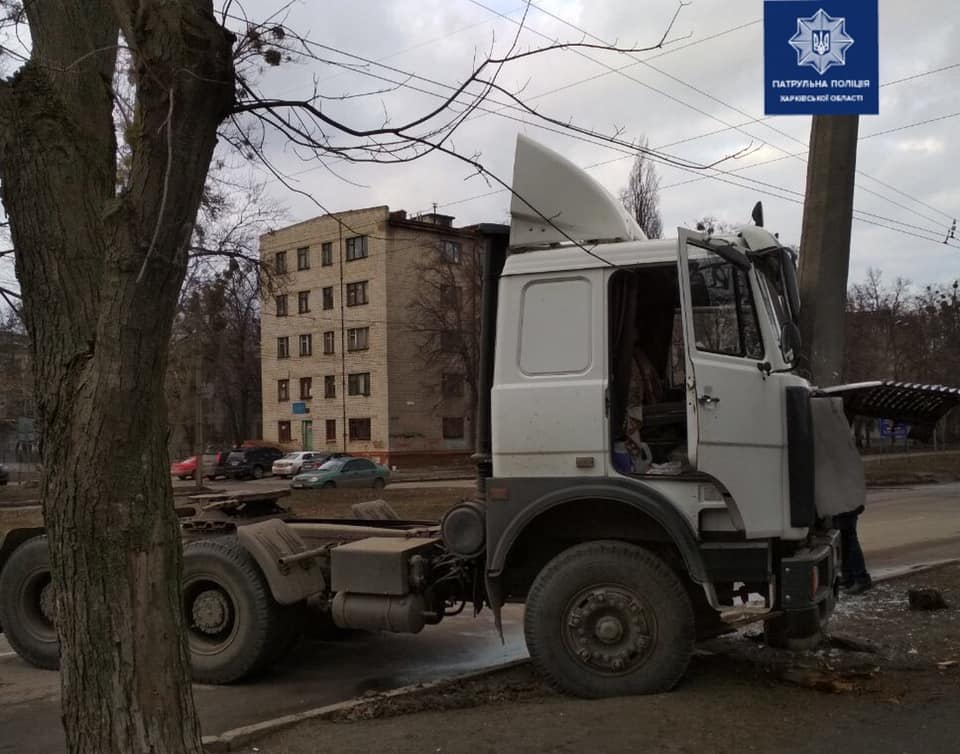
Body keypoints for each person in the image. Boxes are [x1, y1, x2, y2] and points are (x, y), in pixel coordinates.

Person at [834, 505, 872, 593]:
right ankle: (850, 577)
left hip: (845, 506)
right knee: (845, 541)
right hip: (845, 506)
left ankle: (861, 578)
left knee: (849, 541)